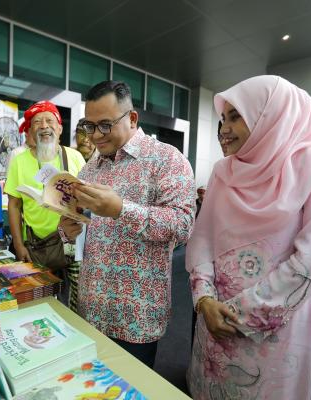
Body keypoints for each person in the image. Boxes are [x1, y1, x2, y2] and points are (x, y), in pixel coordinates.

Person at [186, 75, 311, 399]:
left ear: (271, 117)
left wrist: (239, 313)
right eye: (222, 119)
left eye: (235, 117)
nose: (224, 129)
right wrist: (204, 300)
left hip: (274, 324)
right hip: (213, 313)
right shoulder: (223, 170)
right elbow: (202, 237)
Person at [59, 80, 196, 368]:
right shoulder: (90, 168)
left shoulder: (166, 159)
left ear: (132, 118)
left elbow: (183, 224)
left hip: (136, 313)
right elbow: (80, 228)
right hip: (92, 305)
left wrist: (121, 209)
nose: (96, 135)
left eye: (105, 125)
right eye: (89, 125)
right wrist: (67, 230)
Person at [4, 101, 86, 265]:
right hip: (36, 246)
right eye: (37, 122)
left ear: (60, 129)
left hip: (73, 243)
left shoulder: (75, 157)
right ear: (30, 131)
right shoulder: (19, 161)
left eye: (49, 120)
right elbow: (14, 206)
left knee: (75, 283)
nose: (43, 125)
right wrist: (18, 245)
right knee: (40, 283)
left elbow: (89, 198)